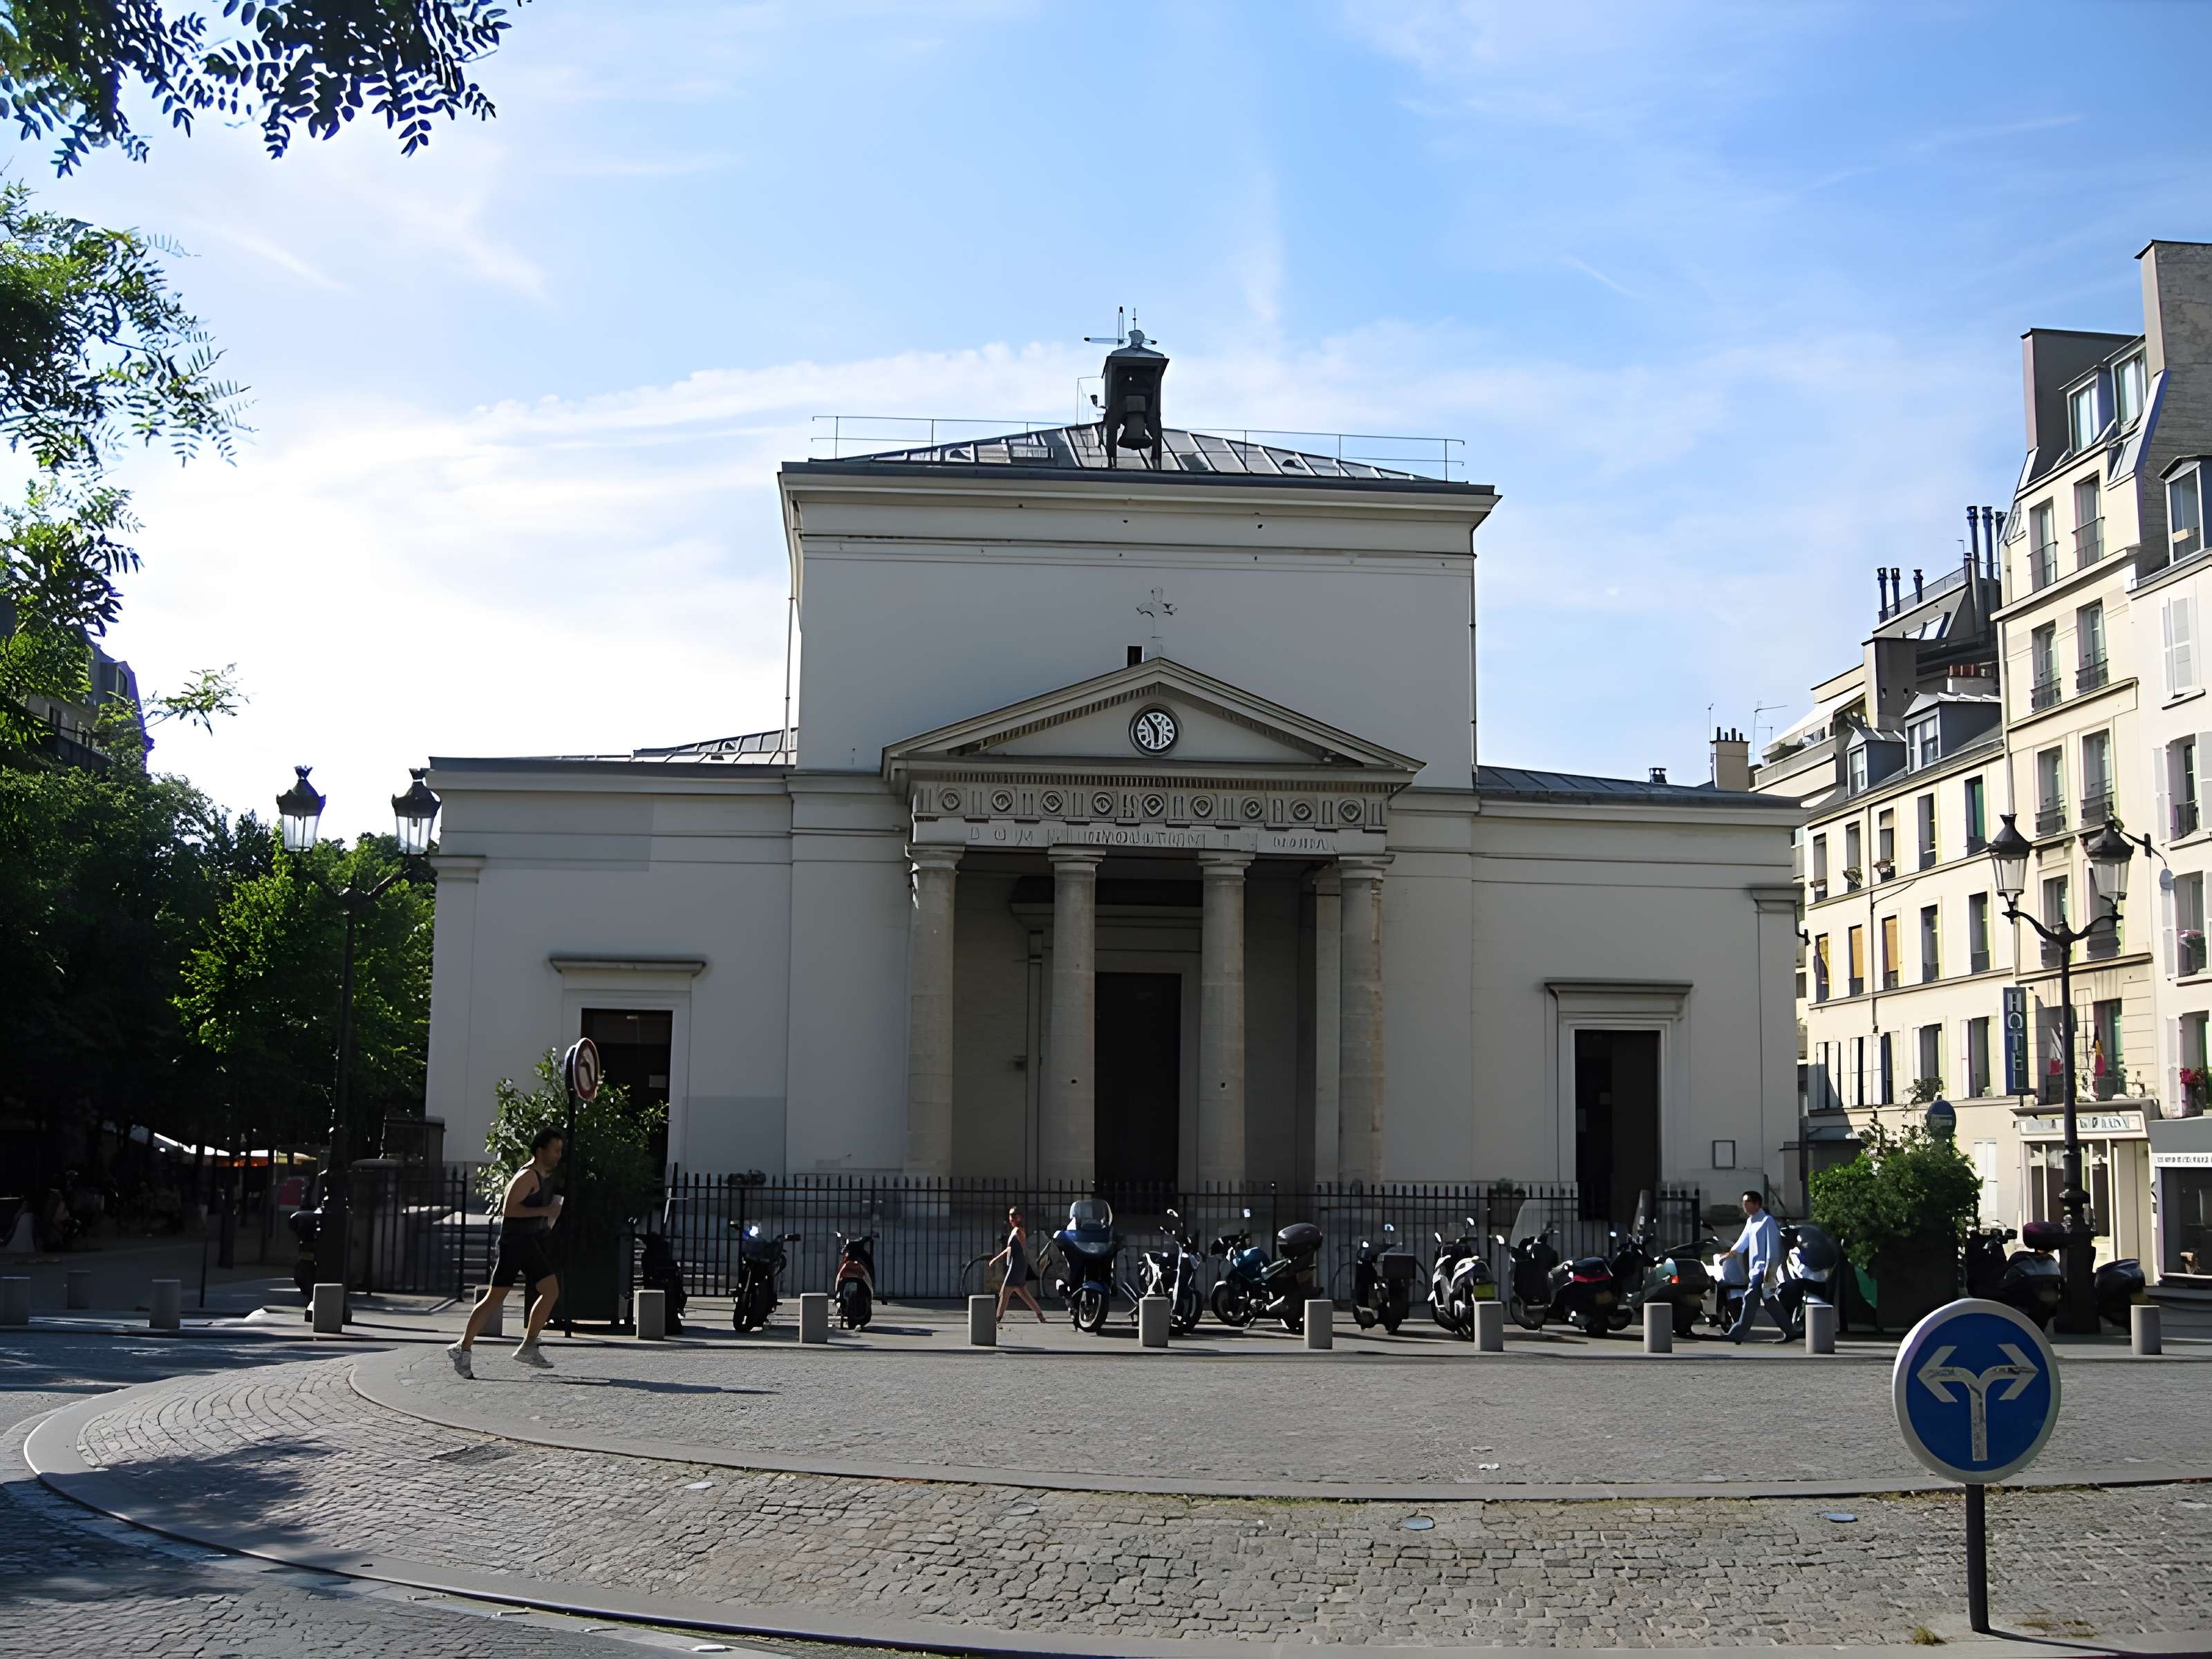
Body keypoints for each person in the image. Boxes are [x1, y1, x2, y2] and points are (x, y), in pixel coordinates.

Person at [447, 1129, 565, 1377]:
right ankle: (468, 1346)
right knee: (498, 1297)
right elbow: (509, 1210)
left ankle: (519, 1346)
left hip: (524, 1243)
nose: (559, 1154)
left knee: (535, 1292)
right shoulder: (527, 1176)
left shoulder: (541, 1176)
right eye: (555, 1149)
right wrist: (546, 1211)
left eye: (560, 1150)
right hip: (516, 1244)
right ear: (540, 1150)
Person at [1724, 1188, 1785, 1344]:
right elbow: (1742, 1242)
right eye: (1743, 1203)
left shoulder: (1767, 1221)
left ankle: (1737, 1333)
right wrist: (1730, 1253)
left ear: (1757, 1204)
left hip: (1763, 1270)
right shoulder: (1751, 1221)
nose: (1744, 1206)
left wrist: (1770, 1272)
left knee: (1750, 1299)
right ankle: (1790, 1331)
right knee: (1771, 1304)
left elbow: (1774, 1247)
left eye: (1747, 1202)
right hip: (1755, 1270)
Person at [990, 1206, 1047, 1326]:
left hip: (1016, 1266)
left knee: (1005, 1292)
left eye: (1012, 1216)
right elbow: (1009, 1249)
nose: (1009, 1219)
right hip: (1017, 1265)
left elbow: (1021, 1248)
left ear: (1018, 1217)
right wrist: (996, 1259)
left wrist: (997, 1259)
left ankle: (997, 1318)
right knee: (1023, 1292)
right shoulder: (1015, 1231)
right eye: (1010, 1216)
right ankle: (1040, 1315)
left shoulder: (1018, 1231)